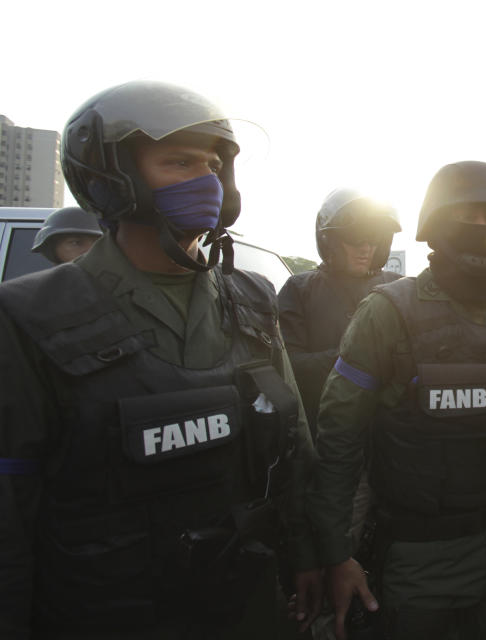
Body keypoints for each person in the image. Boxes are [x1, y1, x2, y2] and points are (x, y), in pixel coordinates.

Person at [0, 80, 322, 638]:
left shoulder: (251, 300)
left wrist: (316, 555)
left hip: (243, 603)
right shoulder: (28, 317)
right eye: (178, 161)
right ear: (108, 176)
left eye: (214, 164)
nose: (205, 179)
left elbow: (294, 447)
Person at [312, 160, 486, 640]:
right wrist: (335, 554)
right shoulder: (388, 311)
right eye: (468, 217)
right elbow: (337, 436)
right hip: (420, 551)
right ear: (435, 226)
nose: (482, 231)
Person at [279, 188, 402, 435]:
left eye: (373, 239)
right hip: (324, 429)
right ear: (330, 241)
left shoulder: (398, 288)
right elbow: (287, 366)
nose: (366, 247)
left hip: (386, 434)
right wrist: (356, 358)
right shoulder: (300, 289)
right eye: (356, 238)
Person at [30, 205, 104, 264]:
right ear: (52, 248)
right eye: (76, 243)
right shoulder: (40, 282)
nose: (89, 251)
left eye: (98, 243)